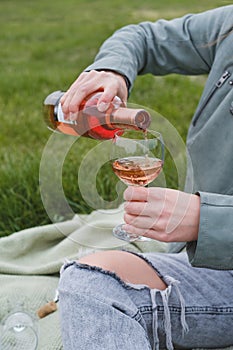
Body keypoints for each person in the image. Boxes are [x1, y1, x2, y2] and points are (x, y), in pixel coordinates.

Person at [58, 5, 233, 350]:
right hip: (203, 262)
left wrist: (206, 220)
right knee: (89, 283)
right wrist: (112, 72)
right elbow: (143, 37)